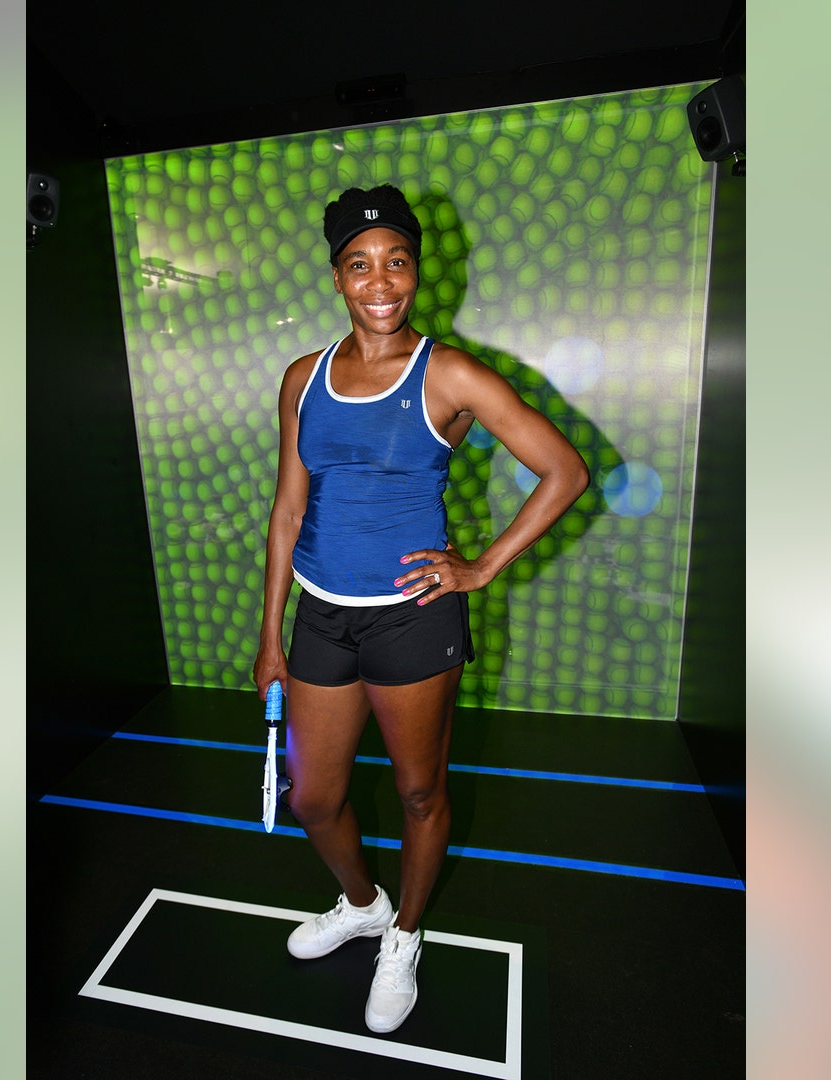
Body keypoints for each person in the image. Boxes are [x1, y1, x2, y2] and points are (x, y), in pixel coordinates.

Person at [253, 183, 588, 1033]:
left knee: (418, 793)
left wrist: (479, 569)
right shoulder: (303, 379)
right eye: (360, 264)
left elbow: (565, 470)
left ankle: (404, 933)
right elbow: (289, 509)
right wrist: (270, 635)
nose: (380, 280)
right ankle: (362, 904)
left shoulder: (451, 373)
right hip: (322, 614)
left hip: (413, 618)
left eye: (396, 261)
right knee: (313, 800)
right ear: (337, 277)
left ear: (415, 272)